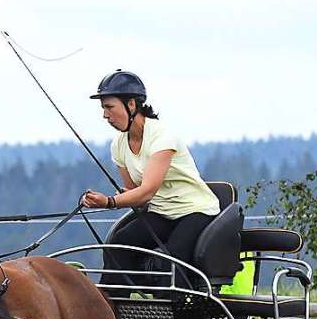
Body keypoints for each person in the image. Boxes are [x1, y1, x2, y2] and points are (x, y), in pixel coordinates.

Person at [82, 70, 219, 293]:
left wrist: (108, 201)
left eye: (109, 107)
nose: (105, 115)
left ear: (132, 105)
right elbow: (135, 194)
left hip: (195, 211)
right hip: (161, 212)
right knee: (117, 246)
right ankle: (116, 313)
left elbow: (146, 192)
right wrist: (116, 198)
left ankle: (170, 318)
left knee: (172, 263)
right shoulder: (118, 145)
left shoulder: (162, 137)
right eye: (103, 108)